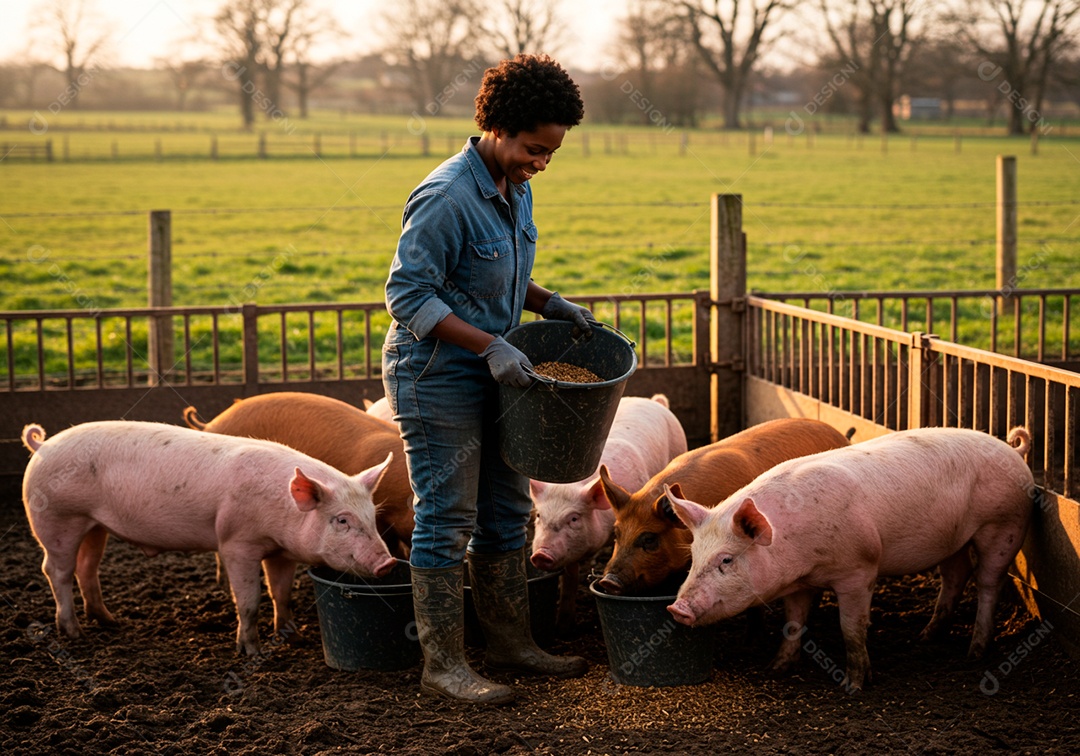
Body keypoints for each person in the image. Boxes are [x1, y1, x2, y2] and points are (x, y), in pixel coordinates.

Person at [382, 54, 595, 704]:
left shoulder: (514, 187)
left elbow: (491, 275)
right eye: (536, 148)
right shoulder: (446, 196)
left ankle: (510, 644)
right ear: (499, 128)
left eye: (552, 153)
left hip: (498, 376)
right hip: (437, 376)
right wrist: (488, 345)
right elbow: (407, 294)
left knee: (506, 513)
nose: (542, 163)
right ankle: (443, 665)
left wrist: (548, 302)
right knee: (448, 516)